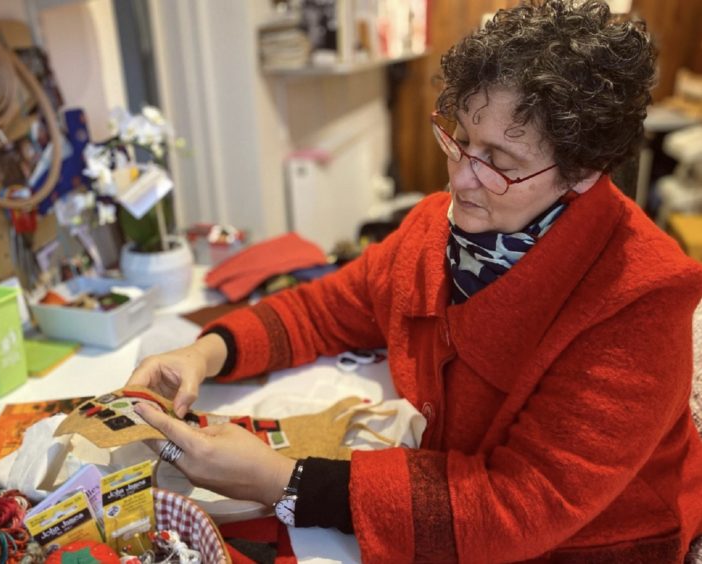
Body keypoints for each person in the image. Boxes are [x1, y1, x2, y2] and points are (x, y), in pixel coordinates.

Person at [128, 1, 702, 561]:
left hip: (593, 538)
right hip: (461, 499)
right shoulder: (435, 228)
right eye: (462, 140)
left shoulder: (640, 299)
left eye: (499, 161)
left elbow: (518, 506)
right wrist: (208, 351)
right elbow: (328, 307)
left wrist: (283, 481)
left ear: (582, 171)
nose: (461, 177)